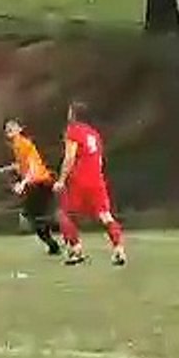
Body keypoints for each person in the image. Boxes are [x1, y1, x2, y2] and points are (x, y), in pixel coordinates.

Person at [54, 102, 126, 266]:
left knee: (65, 215)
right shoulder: (94, 134)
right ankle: (119, 249)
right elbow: (100, 160)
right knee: (105, 216)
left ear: (73, 115)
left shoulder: (73, 131)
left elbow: (70, 157)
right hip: (97, 179)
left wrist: (61, 180)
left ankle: (76, 250)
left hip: (79, 180)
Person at [0, 119, 61, 256]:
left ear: (19, 129)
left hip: (41, 182)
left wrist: (23, 183)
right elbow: (21, 165)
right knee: (34, 218)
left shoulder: (24, 144)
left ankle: (60, 229)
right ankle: (53, 244)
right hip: (35, 184)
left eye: (12, 129)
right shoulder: (17, 145)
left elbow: (33, 167)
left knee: (34, 216)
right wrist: (3, 169)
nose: (9, 132)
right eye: (7, 130)